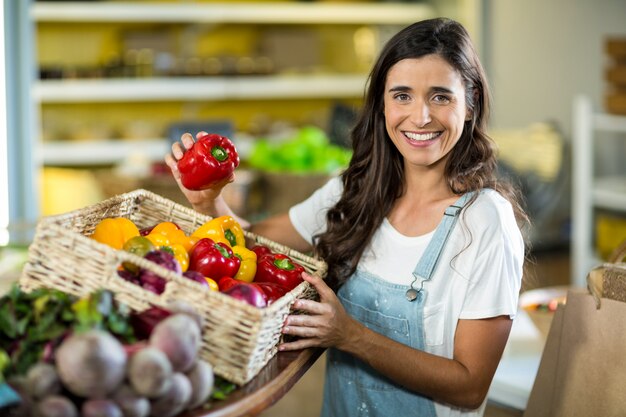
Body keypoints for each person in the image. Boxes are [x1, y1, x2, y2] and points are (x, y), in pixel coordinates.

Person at [165, 17, 529, 417]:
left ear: (470, 100)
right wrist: (208, 202)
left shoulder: (485, 223)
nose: (421, 117)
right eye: (402, 96)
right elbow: (257, 243)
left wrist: (350, 336)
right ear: (383, 102)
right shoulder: (355, 190)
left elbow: (470, 386)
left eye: (440, 97)